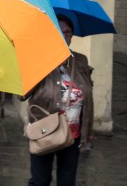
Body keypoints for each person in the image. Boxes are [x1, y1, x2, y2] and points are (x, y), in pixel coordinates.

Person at [24, 15, 94, 186]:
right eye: (59, 32)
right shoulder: (40, 59)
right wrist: (41, 63)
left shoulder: (81, 60)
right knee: (40, 181)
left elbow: (88, 93)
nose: (64, 36)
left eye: (68, 32)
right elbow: (23, 94)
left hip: (73, 132)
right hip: (44, 130)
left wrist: (89, 132)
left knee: (67, 181)